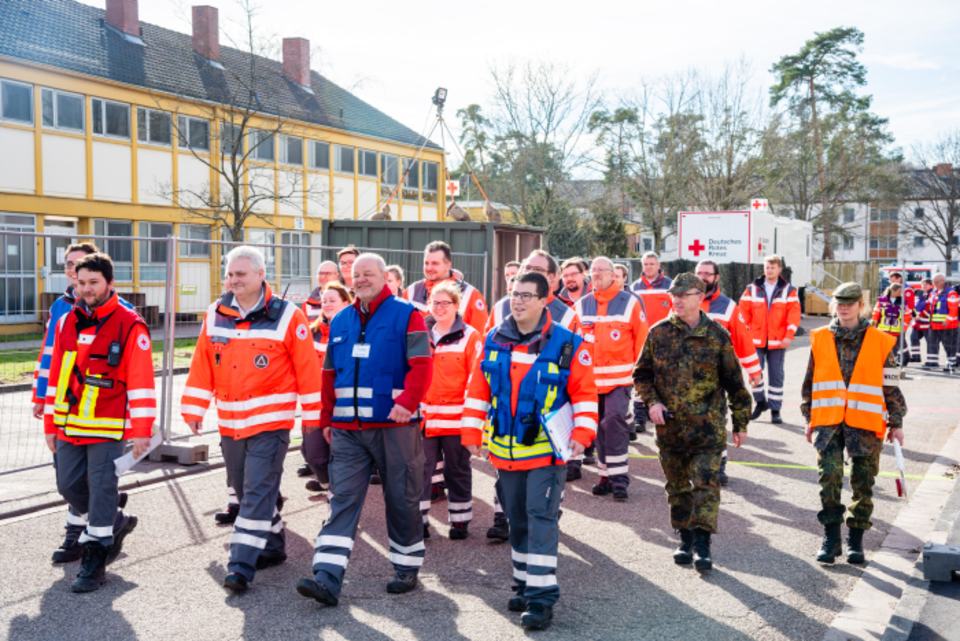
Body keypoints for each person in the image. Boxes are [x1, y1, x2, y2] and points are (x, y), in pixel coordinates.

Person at [462, 271, 598, 630]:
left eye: (526, 295)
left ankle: (540, 599)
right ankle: (523, 583)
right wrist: (470, 431)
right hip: (505, 454)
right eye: (513, 294)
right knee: (516, 518)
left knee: (540, 516)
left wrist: (584, 433)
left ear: (544, 300)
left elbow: (585, 393)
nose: (517, 301)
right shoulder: (493, 339)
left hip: (547, 452)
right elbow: (478, 391)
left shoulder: (568, 344)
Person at [181, 246, 323, 591]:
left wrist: (314, 420)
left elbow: (308, 371)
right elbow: (203, 362)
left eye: (240, 274)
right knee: (246, 492)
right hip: (230, 423)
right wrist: (194, 407)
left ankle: (241, 565)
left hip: (270, 425)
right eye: (229, 274)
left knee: (258, 492)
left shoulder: (289, 316)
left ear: (261, 275)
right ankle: (273, 546)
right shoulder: (216, 312)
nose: (233, 280)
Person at [297, 253, 433, 606]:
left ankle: (406, 567)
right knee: (341, 499)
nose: (360, 280)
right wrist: (326, 420)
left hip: (395, 425)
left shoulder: (407, 314)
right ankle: (326, 576)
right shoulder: (340, 320)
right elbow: (328, 376)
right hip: (347, 429)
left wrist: (407, 401)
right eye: (356, 275)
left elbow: (422, 365)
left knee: (401, 498)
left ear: (384, 276)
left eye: (367, 274)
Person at [44, 252, 154, 592]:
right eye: (82, 282)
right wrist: (50, 423)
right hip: (69, 424)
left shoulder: (130, 323)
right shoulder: (66, 321)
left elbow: (141, 382)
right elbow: (56, 376)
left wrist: (141, 431)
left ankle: (95, 561)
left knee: (102, 488)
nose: (87, 289)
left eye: (94, 282)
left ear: (109, 283)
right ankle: (115, 520)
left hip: (108, 426)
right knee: (67, 486)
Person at [633, 273, 752, 571]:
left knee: (706, 485)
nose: (677, 300)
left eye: (684, 295)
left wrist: (740, 424)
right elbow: (641, 375)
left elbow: (735, 383)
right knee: (677, 488)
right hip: (670, 429)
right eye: (675, 295)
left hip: (707, 429)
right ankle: (684, 538)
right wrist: (652, 402)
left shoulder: (717, 336)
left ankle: (702, 544)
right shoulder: (658, 333)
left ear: (700, 297)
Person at [32, 242, 133, 562]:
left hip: (101, 413)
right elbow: (49, 356)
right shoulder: (61, 309)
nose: (75, 273)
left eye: (81, 267)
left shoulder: (119, 311)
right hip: (64, 407)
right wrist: (40, 395)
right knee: (69, 479)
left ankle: (77, 535)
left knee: (93, 479)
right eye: (70, 267)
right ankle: (105, 516)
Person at [802, 283, 907, 564]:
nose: (844, 307)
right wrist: (808, 418)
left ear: (861, 305)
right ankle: (831, 539)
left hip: (865, 422)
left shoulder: (879, 341)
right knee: (829, 479)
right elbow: (810, 383)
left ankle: (855, 541)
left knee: (863, 483)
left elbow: (891, 386)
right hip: (828, 423)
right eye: (839, 302)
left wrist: (896, 423)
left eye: (850, 302)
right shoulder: (820, 337)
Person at [484, 250, 583, 540]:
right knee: (505, 471)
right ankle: (502, 517)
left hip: (547, 418)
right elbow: (486, 360)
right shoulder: (502, 306)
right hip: (507, 415)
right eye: (527, 267)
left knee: (543, 493)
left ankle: (548, 518)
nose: (530, 272)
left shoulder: (568, 315)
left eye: (538, 269)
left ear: (552, 279)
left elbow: (575, 371)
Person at [573, 257, 648, 498]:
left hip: (619, 381)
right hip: (590, 384)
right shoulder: (581, 305)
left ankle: (619, 479)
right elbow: (574, 345)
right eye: (593, 272)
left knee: (614, 421)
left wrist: (643, 377)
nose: (596, 275)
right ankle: (604, 475)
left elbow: (643, 342)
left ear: (613, 274)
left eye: (601, 271)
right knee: (598, 428)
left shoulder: (630, 303)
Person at [420, 282, 480, 540]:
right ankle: (419, 521)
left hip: (457, 420)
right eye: (435, 302)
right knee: (420, 471)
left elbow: (476, 379)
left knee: (457, 470)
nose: (440, 307)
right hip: (426, 419)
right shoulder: (420, 334)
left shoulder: (471, 336)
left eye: (446, 303)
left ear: (457, 306)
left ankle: (459, 521)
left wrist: (472, 421)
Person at [695, 260, 762, 486]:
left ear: (716, 277)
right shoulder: (682, 302)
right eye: (699, 273)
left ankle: (720, 464)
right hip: (684, 378)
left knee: (716, 422)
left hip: (716, 378)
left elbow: (743, 340)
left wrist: (754, 371)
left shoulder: (728, 307)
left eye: (707, 273)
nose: (703, 277)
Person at [302, 282, 354, 493]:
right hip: (316, 404)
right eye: (324, 301)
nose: (327, 304)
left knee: (340, 456)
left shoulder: (355, 330)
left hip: (343, 404)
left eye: (333, 300)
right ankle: (327, 483)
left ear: (346, 303)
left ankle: (338, 499)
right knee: (312, 454)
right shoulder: (311, 332)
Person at [740, 255, 801, 424]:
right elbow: (743, 313)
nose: (769, 270)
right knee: (754, 372)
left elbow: (794, 316)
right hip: (755, 340)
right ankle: (760, 403)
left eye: (772, 267)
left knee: (776, 376)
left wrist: (789, 337)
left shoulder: (789, 290)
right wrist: (744, 334)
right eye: (767, 267)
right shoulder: (751, 288)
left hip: (778, 340)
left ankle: (775, 409)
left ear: (779, 269)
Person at [403, 240, 488, 336]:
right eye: (426, 263)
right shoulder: (411, 292)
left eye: (435, 263)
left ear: (448, 265)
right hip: (419, 350)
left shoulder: (471, 295)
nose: (429, 268)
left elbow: (480, 337)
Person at [924, 273, 959, 373]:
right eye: (933, 282)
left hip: (948, 325)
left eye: (936, 282)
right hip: (934, 325)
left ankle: (951, 364)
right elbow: (930, 307)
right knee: (932, 344)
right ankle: (932, 362)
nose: (934, 284)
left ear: (942, 281)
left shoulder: (951, 293)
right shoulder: (933, 292)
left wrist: (947, 321)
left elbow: (954, 309)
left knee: (949, 345)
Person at [872, 283, 912, 367]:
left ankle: (895, 364)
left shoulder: (903, 302)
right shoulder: (881, 300)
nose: (901, 292)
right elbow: (876, 313)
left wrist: (904, 327)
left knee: (895, 349)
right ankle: (884, 364)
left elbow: (907, 315)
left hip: (897, 330)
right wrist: (873, 325)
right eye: (899, 291)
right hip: (883, 330)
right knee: (883, 348)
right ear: (893, 291)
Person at [631, 252, 674, 328]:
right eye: (646, 264)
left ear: (658, 265)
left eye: (651, 264)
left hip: (664, 333)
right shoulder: (634, 287)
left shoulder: (671, 285)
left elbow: (677, 310)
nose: (648, 267)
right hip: (642, 334)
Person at [911, 278, 934, 364]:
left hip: (927, 323)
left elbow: (930, 307)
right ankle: (916, 357)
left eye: (926, 284)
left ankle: (931, 359)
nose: (924, 286)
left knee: (930, 342)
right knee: (913, 338)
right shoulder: (918, 293)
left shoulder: (933, 294)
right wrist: (913, 315)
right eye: (923, 284)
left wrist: (920, 316)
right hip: (917, 323)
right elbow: (913, 305)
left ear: (931, 285)